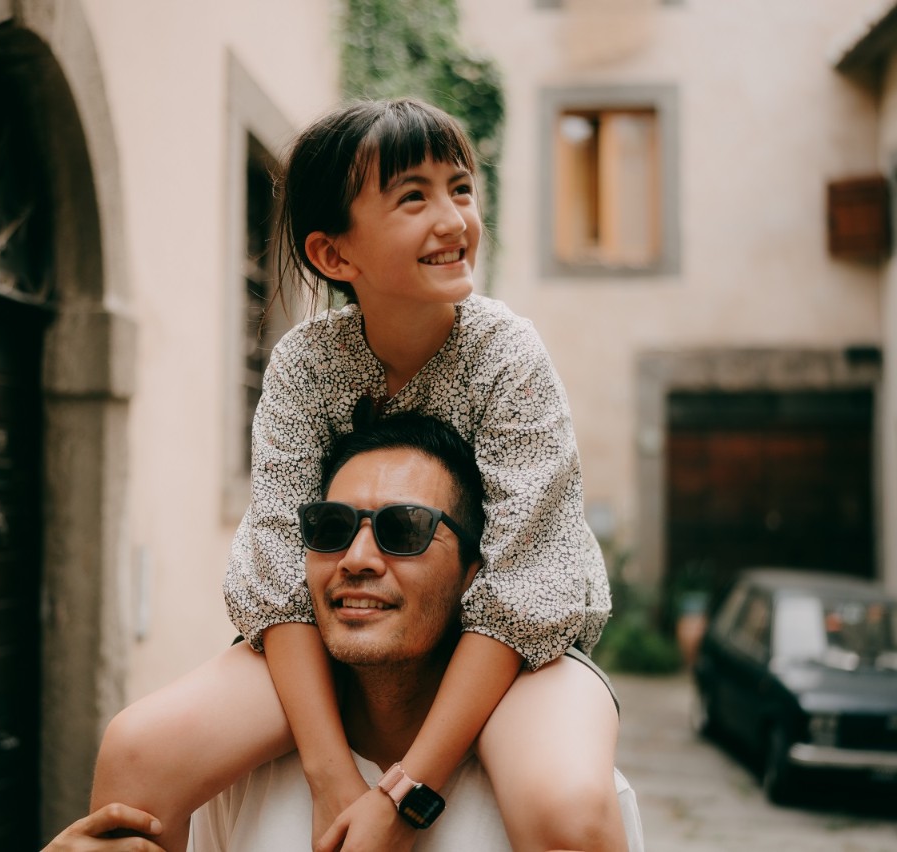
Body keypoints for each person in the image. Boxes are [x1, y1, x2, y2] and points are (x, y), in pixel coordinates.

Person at [93, 98, 617, 851]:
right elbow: (278, 574)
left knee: (566, 809)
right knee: (136, 750)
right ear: (335, 255)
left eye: (460, 189)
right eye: (414, 197)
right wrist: (331, 777)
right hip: (344, 641)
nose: (453, 219)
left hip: (516, 651)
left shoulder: (509, 354)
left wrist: (406, 794)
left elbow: (526, 585)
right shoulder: (304, 366)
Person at [44, 414, 640, 851]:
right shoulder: (233, 784)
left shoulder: (563, 790)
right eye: (331, 526)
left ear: (474, 576)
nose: (356, 557)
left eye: (404, 529)